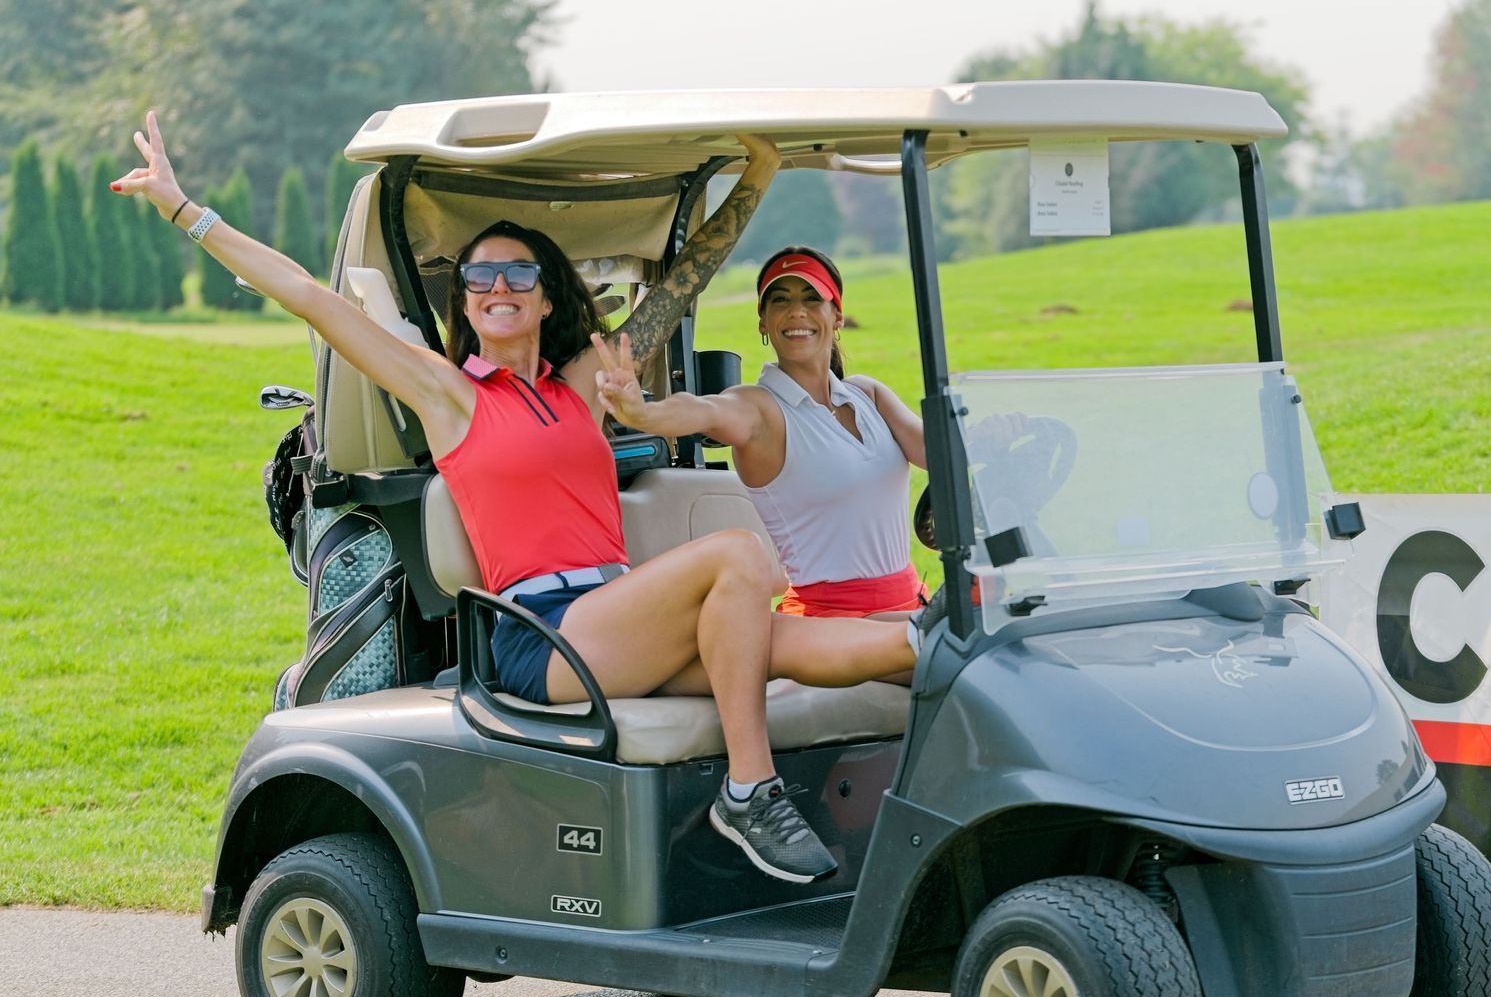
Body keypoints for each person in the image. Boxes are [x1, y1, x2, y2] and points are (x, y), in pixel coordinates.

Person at [111, 111, 918, 885]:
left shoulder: (581, 386)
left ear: (543, 297)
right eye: (480, 276)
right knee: (741, 557)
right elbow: (308, 297)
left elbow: (682, 282)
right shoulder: (449, 397)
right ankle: (749, 793)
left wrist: (758, 175)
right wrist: (184, 209)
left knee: (876, 649)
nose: (499, 285)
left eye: (518, 273)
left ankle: (947, 686)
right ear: (464, 300)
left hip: (616, 623)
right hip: (543, 639)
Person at [622, 247, 929, 617]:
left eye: (812, 298)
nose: (796, 310)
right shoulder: (759, 408)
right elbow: (705, 410)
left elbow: (937, 450)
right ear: (763, 322)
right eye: (780, 300)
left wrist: (997, 435)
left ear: (838, 316)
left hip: (909, 603)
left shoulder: (867, 394)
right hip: (832, 620)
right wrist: (646, 414)